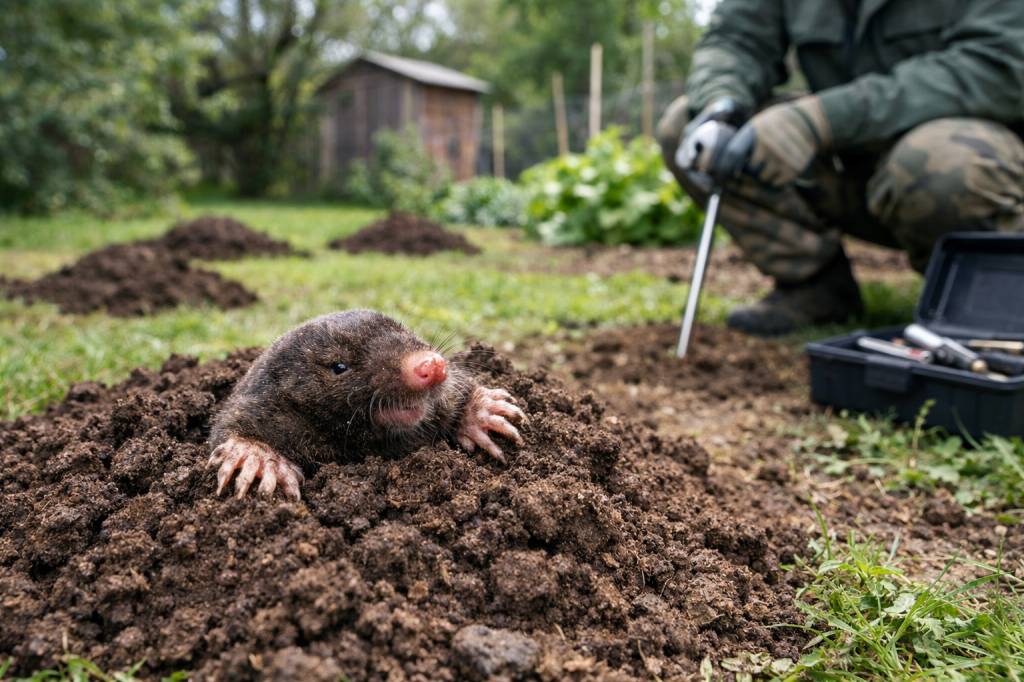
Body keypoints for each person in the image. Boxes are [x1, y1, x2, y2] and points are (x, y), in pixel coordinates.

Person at [658, 0, 1024, 336]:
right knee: (688, 128)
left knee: (938, 162)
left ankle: (982, 298)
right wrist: (722, 103)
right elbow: (736, 38)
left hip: (981, 167)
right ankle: (815, 287)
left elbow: (1000, 68)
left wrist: (823, 119)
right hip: (857, 167)